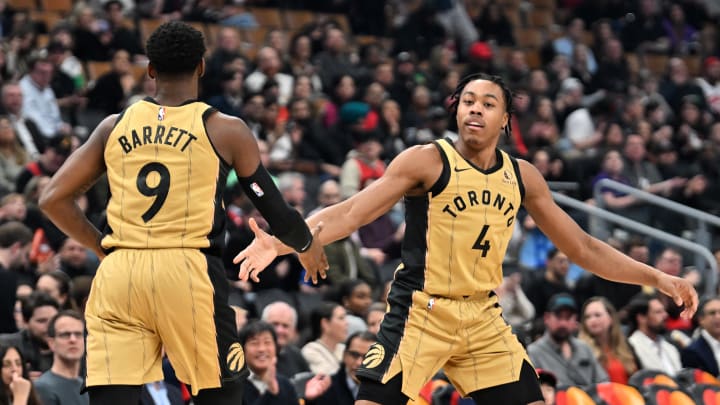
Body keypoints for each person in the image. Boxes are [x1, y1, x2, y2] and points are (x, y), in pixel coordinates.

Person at [234, 72, 698, 405]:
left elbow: (584, 248)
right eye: (468, 100)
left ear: (506, 120)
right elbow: (351, 212)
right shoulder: (426, 160)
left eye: (488, 102)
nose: (475, 108)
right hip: (422, 311)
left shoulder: (523, 176)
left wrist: (657, 277)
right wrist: (282, 240)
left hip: (481, 317)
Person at [37, 21, 327, 405]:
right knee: (222, 390)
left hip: (120, 273)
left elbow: (52, 198)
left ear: (150, 69)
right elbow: (273, 206)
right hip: (187, 270)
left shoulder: (113, 126)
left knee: (112, 397)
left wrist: (101, 247)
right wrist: (306, 243)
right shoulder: (226, 129)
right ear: (202, 67)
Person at [527, 293, 609, 387]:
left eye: (568, 317)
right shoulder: (534, 352)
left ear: (575, 320)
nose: (563, 323)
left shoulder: (584, 348)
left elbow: (603, 382)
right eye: (559, 317)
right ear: (547, 318)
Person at [34, 310, 88, 405]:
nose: (73, 339)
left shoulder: (85, 387)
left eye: (78, 334)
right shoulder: (43, 387)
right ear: (51, 343)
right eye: (65, 335)